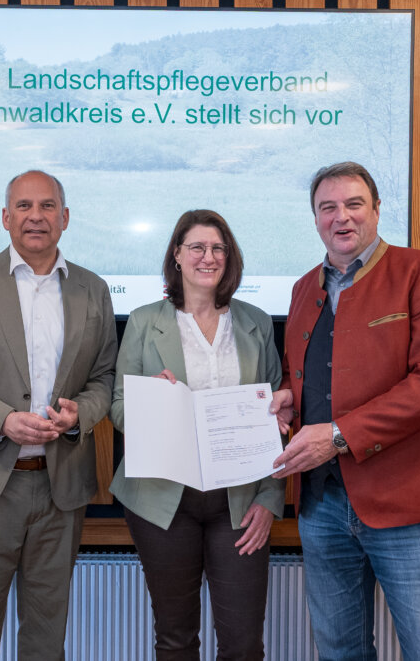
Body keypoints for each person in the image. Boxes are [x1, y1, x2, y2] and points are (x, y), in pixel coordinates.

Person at [269, 162, 420, 660]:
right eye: (328, 207)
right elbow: (303, 368)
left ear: (377, 209)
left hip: (413, 504)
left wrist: (337, 435)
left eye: (354, 204)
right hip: (322, 505)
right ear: (315, 218)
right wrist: (288, 394)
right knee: (339, 651)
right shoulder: (303, 288)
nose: (341, 217)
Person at [0, 170, 117, 660]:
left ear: (65, 217)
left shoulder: (93, 289)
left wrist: (80, 414)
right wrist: (3, 420)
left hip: (60, 489)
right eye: (24, 206)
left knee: (47, 640)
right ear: (6, 218)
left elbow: (104, 379)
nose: (36, 216)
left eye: (48, 206)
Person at [109, 210, 285, 660]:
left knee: (244, 645)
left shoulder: (257, 323)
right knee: (175, 639)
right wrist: (155, 403)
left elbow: (276, 415)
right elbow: (118, 408)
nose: (209, 257)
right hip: (161, 500)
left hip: (240, 502)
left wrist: (270, 497)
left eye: (218, 248)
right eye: (197, 247)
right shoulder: (144, 322)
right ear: (177, 255)